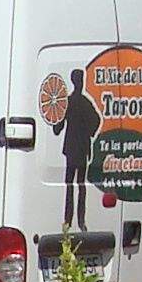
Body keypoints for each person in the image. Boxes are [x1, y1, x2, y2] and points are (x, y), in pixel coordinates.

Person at [59, 72, 104, 232]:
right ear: (74, 81)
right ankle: (70, 220)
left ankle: (78, 220)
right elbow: (59, 126)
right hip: (75, 148)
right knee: (73, 185)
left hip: (78, 148)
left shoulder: (80, 102)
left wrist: (89, 132)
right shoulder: (72, 102)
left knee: (78, 185)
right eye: (79, 80)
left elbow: (97, 119)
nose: (81, 83)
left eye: (82, 80)